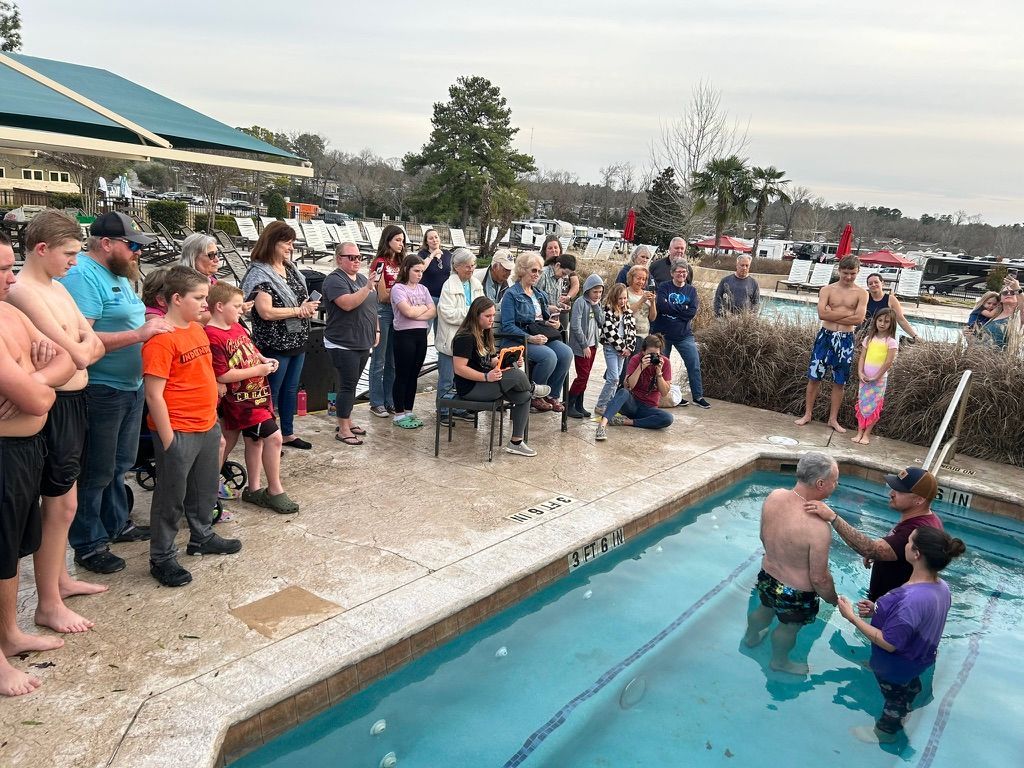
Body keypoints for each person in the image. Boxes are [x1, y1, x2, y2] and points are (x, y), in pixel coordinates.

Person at [6, 211, 107, 635]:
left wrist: (78, 344)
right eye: (69, 253)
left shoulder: (59, 289)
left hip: (75, 400)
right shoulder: (26, 292)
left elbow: (94, 346)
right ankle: (47, 601)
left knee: (65, 504)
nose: (75, 262)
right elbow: (81, 354)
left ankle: (59, 580)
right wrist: (78, 345)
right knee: (55, 503)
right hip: (55, 406)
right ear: (42, 249)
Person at [61, 213, 174, 575]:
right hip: (101, 388)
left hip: (131, 385)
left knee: (120, 464)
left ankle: (116, 524)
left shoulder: (121, 275)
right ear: (106, 243)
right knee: (95, 470)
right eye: (133, 245)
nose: (138, 252)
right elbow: (81, 340)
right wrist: (140, 336)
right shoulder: (83, 276)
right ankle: (89, 543)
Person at [0, 231, 76, 697]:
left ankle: (8, 634)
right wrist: (39, 382)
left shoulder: (9, 313)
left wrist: (32, 375)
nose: (8, 280)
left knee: (9, 555)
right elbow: (37, 395)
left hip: (25, 449)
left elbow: (67, 359)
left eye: (9, 268)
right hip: (4, 454)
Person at [143, 266, 242, 587]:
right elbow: (153, 394)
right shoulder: (161, 340)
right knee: (170, 497)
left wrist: (213, 417)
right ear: (176, 298)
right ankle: (162, 556)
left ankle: (201, 536)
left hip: (206, 425)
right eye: (199, 297)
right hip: (179, 431)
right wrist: (169, 439)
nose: (205, 303)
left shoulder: (196, 329)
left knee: (203, 488)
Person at [837, 527, 966, 742]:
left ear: (916, 554)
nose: (904, 544)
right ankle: (909, 697)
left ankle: (885, 732)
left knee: (893, 700)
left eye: (909, 542)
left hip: (895, 667)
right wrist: (878, 609)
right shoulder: (941, 587)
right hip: (919, 659)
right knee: (909, 687)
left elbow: (890, 642)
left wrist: (852, 617)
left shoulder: (911, 599)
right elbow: (919, 621)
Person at [743, 452, 840, 675]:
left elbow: (763, 537)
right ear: (820, 483)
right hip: (795, 592)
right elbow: (819, 578)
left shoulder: (774, 496)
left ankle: (750, 638)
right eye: (835, 480)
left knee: (764, 608)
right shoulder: (818, 527)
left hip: (768, 576)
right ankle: (779, 661)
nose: (836, 485)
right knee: (788, 627)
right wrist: (833, 600)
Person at [204, 282, 297, 514]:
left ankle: (254, 489)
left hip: (258, 395)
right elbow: (223, 374)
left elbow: (250, 350)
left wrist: (263, 360)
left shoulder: (235, 326)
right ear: (219, 306)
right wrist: (258, 371)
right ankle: (275, 489)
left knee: (253, 441)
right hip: (241, 401)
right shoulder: (212, 335)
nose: (241, 310)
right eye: (236, 306)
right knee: (274, 437)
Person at [804, 466, 943, 601]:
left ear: (919, 500)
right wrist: (880, 553)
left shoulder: (917, 529)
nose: (891, 493)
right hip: (883, 603)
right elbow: (889, 545)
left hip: (891, 609)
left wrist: (832, 517)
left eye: (899, 491)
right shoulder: (925, 517)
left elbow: (870, 549)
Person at [241, 221, 319, 450]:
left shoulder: (290, 268)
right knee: (271, 391)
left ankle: (287, 433)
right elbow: (265, 312)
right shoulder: (259, 273)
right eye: (287, 242)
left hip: (297, 338)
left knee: (291, 389)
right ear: (273, 242)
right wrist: (298, 310)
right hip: (274, 342)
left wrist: (306, 306)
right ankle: (268, 437)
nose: (291, 247)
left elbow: (298, 297)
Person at [452, 297, 548, 457]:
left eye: (493, 315)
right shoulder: (465, 337)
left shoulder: (483, 333)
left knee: (524, 396)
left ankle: (516, 442)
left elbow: (490, 360)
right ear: (476, 316)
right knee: (517, 375)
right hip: (471, 387)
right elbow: (459, 369)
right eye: (488, 316)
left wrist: (511, 360)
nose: (492, 319)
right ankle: (533, 388)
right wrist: (486, 377)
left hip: (486, 381)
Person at [794, 255, 868, 433]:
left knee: (839, 381)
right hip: (825, 337)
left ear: (858, 272)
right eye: (845, 273)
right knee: (814, 377)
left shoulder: (861, 293)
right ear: (839, 270)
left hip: (845, 339)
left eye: (852, 273)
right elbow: (822, 315)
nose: (848, 277)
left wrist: (832, 313)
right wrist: (844, 315)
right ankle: (808, 414)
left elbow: (858, 319)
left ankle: (832, 419)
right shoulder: (827, 290)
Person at [500, 253, 573, 413]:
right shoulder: (511, 294)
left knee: (566, 353)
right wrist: (531, 338)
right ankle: (534, 395)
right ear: (522, 270)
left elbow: (543, 320)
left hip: (540, 335)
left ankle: (551, 395)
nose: (537, 275)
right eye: (534, 270)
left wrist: (554, 323)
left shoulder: (539, 294)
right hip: (519, 338)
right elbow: (507, 326)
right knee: (549, 356)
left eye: (539, 272)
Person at [322, 242, 379, 445]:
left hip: (362, 341)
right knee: (347, 385)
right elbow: (347, 304)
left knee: (352, 384)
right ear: (339, 259)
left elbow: (372, 307)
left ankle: (347, 419)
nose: (356, 261)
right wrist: (367, 288)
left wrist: (377, 329)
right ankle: (343, 428)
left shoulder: (363, 279)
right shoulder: (334, 280)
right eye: (351, 257)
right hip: (342, 342)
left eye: (359, 257)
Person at [651, 260, 710, 409]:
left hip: (684, 335)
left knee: (694, 363)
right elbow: (662, 306)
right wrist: (681, 308)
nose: (682, 274)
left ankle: (698, 396)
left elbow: (691, 312)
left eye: (684, 272)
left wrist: (673, 309)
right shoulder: (664, 287)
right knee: (661, 365)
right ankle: (665, 396)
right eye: (679, 272)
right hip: (662, 335)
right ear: (672, 273)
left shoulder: (691, 291)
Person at [593, 334, 674, 441]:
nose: (653, 357)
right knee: (623, 392)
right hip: (632, 404)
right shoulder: (636, 359)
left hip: (649, 408)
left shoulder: (665, 363)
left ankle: (625, 422)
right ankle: (602, 425)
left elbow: (664, 393)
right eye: (650, 354)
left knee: (667, 418)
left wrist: (659, 373)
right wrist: (640, 367)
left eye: (656, 354)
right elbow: (629, 386)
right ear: (643, 352)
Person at [435, 248, 483, 426]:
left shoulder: (476, 284)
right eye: (467, 266)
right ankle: (443, 410)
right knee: (447, 378)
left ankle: (460, 408)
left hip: (469, 339)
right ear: (456, 267)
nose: (471, 269)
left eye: (473, 265)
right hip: (451, 339)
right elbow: (447, 313)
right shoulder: (449, 285)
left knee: (462, 378)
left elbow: (482, 307)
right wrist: (471, 315)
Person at [390, 254, 435, 428]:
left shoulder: (423, 289)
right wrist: (423, 308)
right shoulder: (398, 288)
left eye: (421, 271)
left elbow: (433, 311)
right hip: (404, 335)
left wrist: (418, 310)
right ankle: (399, 413)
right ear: (407, 270)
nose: (419, 274)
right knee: (402, 374)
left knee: (414, 373)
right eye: (416, 271)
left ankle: (409, 409)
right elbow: (407, 312)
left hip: (420, 334)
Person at [367, 224, 406, 417]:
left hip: (399, 312)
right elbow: (382, 295)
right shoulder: (380, 263)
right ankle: (376, 401)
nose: (401, 244)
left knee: (392, 359)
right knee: (379, 358)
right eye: (397, 240)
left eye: (402, 240)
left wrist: (397, 292)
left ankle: (389, 399)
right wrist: (400, 291)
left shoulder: (401, 263)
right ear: (388, 240)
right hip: (383, 311)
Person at [853, 307, 899, 445]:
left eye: (886, 321)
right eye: (879, 320)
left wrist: (877, 376)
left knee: (874, 406)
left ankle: (867, 433)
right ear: (875, 321)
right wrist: (860, 372)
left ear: (892, 324)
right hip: (865, 378)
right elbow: (862, 357)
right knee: (862, 404)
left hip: (878, 381)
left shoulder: (891, 342)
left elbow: (888, 362)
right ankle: (859, 432)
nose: (882, 324)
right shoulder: (869, 339)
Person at [566, 274, 605, 419]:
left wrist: (596, 307)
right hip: (582, 346)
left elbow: (601, 321)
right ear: (588, 290)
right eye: (595, 291)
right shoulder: (580, 303)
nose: (597, 295)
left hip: (593, 344)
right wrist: (583, 345)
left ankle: (579, 405)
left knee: (586, 376)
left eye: (600, 292)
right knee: (582, 376)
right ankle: (569, 404)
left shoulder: (596, 303)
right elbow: (575, 326)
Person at [594, 283, 636, 417]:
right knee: (612, 378)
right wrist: (622, 347)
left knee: (617, 378)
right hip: (612, 347)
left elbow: (632, 332)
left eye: (625, 298)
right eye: (620, 299)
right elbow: (609, 331)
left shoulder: (628, 312)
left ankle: (610, 403)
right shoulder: (608, 311)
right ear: (614, 298)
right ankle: (601, 405)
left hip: (623, 349)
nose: (623, 301)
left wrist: (629, 348)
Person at [861, 273, 919, 341]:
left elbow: (901, 319)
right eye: (870, 283)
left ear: (882, 283)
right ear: (868, 286)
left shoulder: (891, 300)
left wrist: (914, 336)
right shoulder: (865, 298)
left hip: (884, 338)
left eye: (876, 282)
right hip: (865, 336)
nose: (873, 285)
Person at [417, 228, 452, 331]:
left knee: (441, 331)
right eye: (431, 238)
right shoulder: (423, 254)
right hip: (428, 298)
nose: (434, 240)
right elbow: (421, 268)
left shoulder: (447, 254)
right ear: (426, 241)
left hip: (444, 298)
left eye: (436, 237)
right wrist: (432, 255)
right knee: (425, 329)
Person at [979, 277, 1023, 350]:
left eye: (1013, 292)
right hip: (984, 359)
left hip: (1005, 360)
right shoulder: (993, 315)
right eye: (1005, 293)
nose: (1008, 294)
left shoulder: (1019, 316)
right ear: (1000, 299)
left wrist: (1017, 289)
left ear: (1018, 297)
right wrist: (970, 337)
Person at [474, 248, 515, 323]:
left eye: (510, 270)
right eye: (506, 270)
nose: (509, 273)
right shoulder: (477, 280)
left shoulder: (510, 282)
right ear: (495, 267)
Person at [539, 235, 580, 306]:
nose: (553, 250)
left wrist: (565, 300)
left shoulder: (565, 266)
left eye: (556, 247)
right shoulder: (542, 272)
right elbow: (536, 297)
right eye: (550, 248)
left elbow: (576, 285)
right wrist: (548, 308)